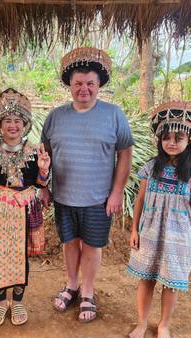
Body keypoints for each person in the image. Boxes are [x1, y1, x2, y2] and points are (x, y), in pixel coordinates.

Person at [40, 47, 134, 322]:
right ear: (69, 84)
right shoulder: (55, 117)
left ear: (99, 84)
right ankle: (71, 284)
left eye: (90, 83)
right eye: (78, 83)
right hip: (64, 197)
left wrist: (117, 192)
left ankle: (88, 291)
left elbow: (125, 154)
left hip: (98, 198)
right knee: (70, 243)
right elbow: (43, 157)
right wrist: (44, 187)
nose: (84, 89)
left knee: (92, 246)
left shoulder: (114, 115)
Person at [127, 101, 191, 338]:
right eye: (167, 137)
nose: (172, 142)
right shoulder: (151, 167)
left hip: (179, 235)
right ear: (160, 139)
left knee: (171, 283)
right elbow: (139, 200)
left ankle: (163, 324)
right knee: (146, 278)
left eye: (179, 137)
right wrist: (134, 229)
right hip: (150, 232)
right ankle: (142, 322)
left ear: (190, 142)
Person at [0, 88, 50, 326]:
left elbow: (39, 183)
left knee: (21, 255)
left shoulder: (35, 151)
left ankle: (17, 301)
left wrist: (44, 170)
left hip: (24, 209)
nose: (13, 125)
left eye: (17, 121)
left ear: (25, 124)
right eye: (7, 120)